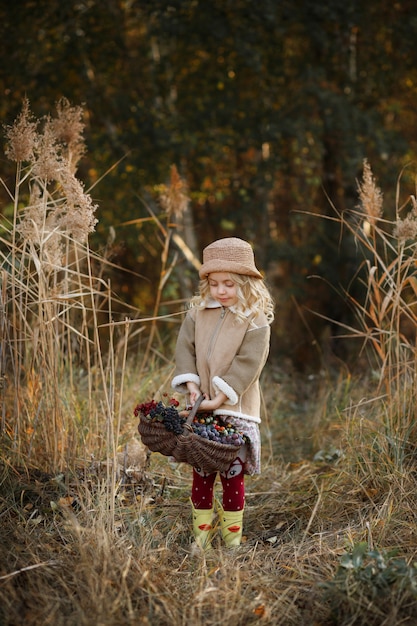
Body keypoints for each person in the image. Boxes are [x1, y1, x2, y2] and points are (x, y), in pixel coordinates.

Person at [171, 237, 274, 550]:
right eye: (214, 283)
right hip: (204, 409)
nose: (221, 291)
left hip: (235, 410)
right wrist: (191, 384)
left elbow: (250, 363)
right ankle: (200, 538)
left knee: (232, 474)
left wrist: (222, 395)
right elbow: (184, 349)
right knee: (202, 473)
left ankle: (232, 542)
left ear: (246, 282)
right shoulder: (198, 314)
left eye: (229, 283)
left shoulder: (254, 320)